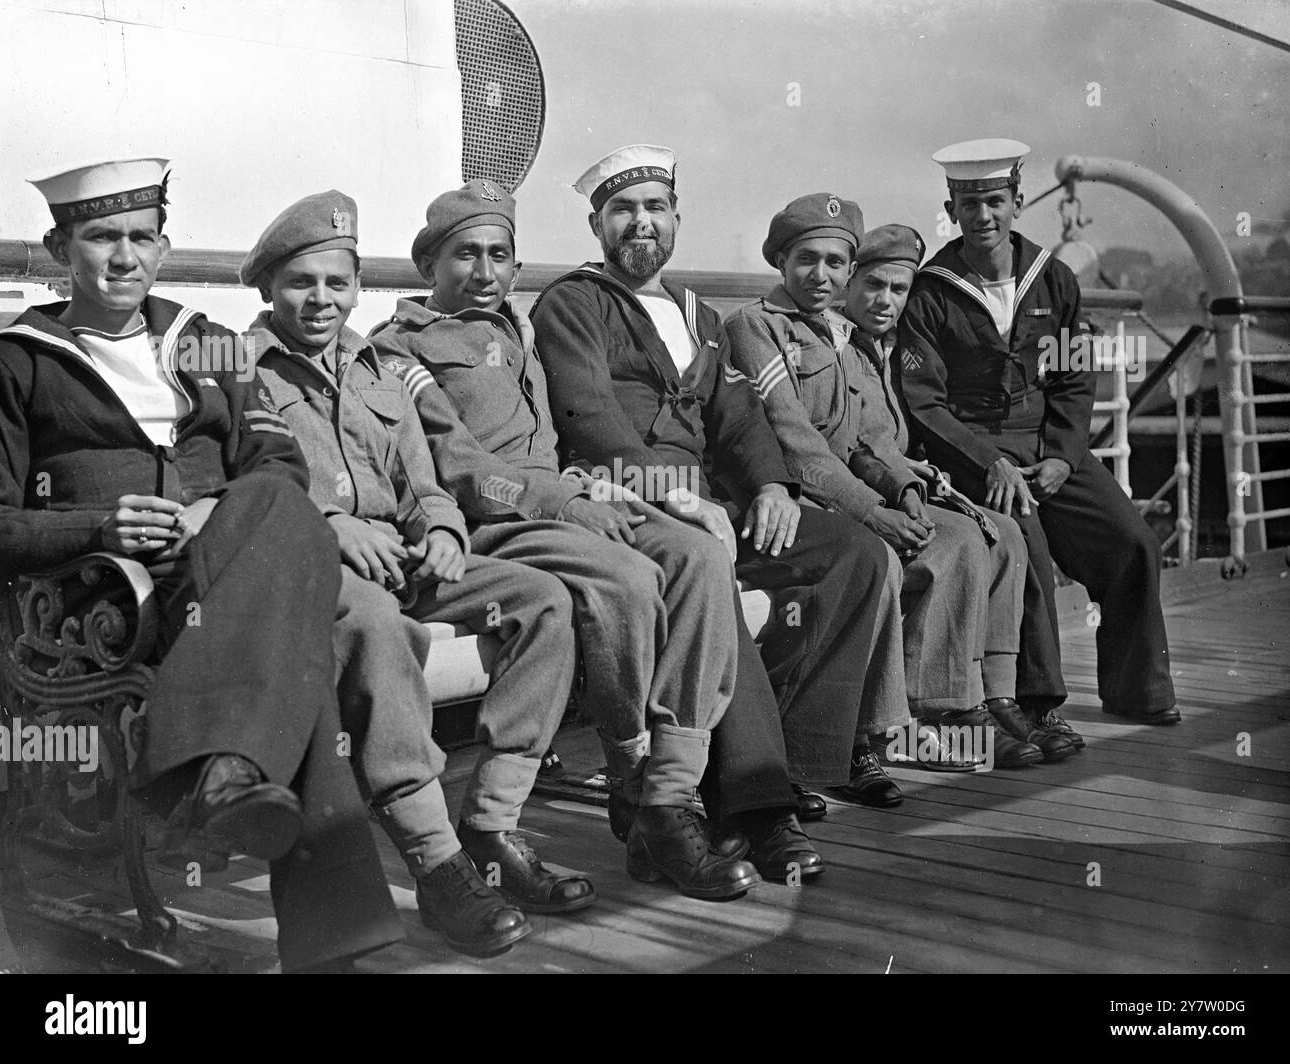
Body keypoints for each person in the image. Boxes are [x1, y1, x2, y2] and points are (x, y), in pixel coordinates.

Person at [0, 157, 402, 972]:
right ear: (56, 246)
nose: (124, 257)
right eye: (101, 237)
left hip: (224, 564)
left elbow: (278, 465)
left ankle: (224, 770)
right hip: (103, 599)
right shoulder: (17, 361)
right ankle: (327, 933)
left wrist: (214, 512)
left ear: (164, 245)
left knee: (280, 504)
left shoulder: (207, 345)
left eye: (141, 237)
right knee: (299, 649)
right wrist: (96, 523)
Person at [367, 179, 759, 899]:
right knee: (627, 579)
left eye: (499, 255)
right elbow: (461, 470)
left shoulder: (518, 329)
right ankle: (636, 780)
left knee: (699, 555)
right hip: (493, 525)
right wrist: (567, 504)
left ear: (517, 268)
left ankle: (669, 798)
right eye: (464, 255)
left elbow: (554, 442)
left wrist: (655, 492)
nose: (483, 272)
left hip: (566, 499)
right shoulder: (400, 351)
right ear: (429, 266)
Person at [239, 190, 592, 948]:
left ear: (358, 286)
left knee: (541, 600)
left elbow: (426, 479)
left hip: (409, 556)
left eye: (338, 283)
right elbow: (250, 485)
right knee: (376, 629)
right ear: (269, 288)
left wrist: (440, 526)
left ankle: (492, 828)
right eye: (302, 283)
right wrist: (331, 525)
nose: (322, 300)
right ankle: (438, 868)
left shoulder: (380, 368)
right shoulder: (244, 372)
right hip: (318, 564)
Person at [530, 144, 907, 845]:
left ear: (677, 218)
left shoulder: (699, 316)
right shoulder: (573, 303)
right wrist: (677, 494)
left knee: (856, 553)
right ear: (596, 225)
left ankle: (796, 756)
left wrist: (769, 484)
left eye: (654, 208)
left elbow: (737, 418)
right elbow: (589, 417)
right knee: (709, 568)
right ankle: (755, 799)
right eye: (622, 211)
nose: (640, 224)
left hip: (711, 501)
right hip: (627, 498)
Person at [726, 210, 1073, 768]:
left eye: (834, 263)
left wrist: (906, 487)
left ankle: (988, 696)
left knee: (1000, 532)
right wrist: (874, 510)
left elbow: (866, 443)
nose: (821, 275)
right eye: (807, 259)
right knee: (949, 544)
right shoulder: (757, 325)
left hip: (850, 491)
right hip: (802, 500)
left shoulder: (841, 335)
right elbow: (799, 444)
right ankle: (925, 715)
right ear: (779, 260)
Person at [899, 140, 1177, 727]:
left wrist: (1063, 457)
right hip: (972, 450)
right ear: (951, 206)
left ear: (1018, 201)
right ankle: (1037, 706)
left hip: (1047, 446)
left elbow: (1076, 380)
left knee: (1133, 543)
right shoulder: (932, 291)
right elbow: (924, 401)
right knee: (1026, 547)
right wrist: (987, 462)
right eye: (969, 203)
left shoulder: (1052, 280)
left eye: (994, 201)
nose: (983, 216)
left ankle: (1137, 692)